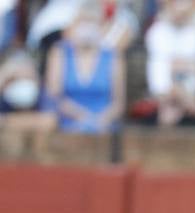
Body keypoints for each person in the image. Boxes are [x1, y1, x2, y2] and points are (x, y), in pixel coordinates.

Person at [43, 2, 125, 133]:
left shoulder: (112, 55)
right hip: (66, 125)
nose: (87, 28)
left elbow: (118, 103)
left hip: (104, 127)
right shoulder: (60, 52)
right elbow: (54, 95)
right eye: (83, 22)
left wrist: (100, 121)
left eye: (92, 22)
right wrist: (83, 117)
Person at [0, 50, 57, 132]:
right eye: (15, 79)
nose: (22, 84)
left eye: (26, 78)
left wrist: (7, 120)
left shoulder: (42, 91)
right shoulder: (4, 94)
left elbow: (49, 121)